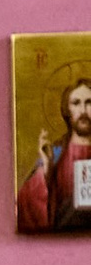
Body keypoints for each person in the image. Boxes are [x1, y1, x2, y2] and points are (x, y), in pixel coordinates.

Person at [18, 71, 91, 230]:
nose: (83, 110)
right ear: (67, 109)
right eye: (76, 103)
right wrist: (46, 169)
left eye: (89, 102)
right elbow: (25, 202)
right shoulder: (56, 151)